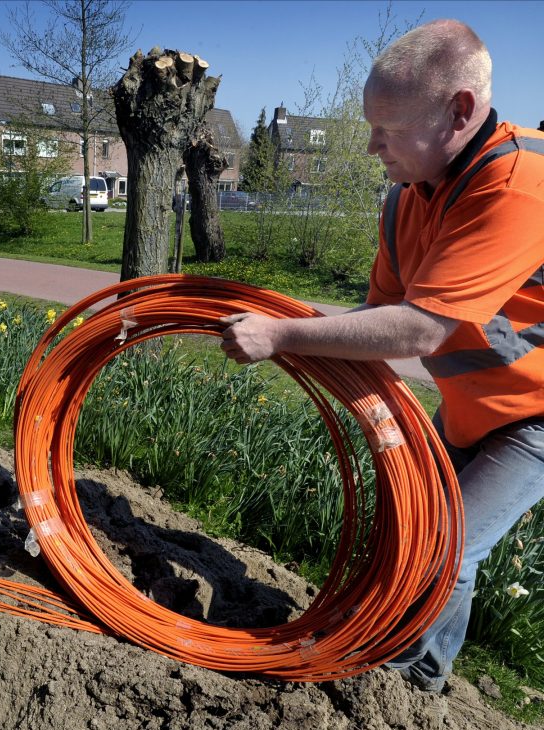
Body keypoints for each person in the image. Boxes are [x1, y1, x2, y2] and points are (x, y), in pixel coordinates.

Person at [221, 19, 544, 693]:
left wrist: (281, 336)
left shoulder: (520, 187)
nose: (372, 147)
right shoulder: (407, 200)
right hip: (472, 410)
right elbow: (379, 318)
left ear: (460, 111)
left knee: (443, 547)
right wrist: (290, 329)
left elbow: (416, 332)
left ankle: (393, 688)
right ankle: (425, 675)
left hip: (537, 419)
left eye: (388, 129)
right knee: (426, 533)